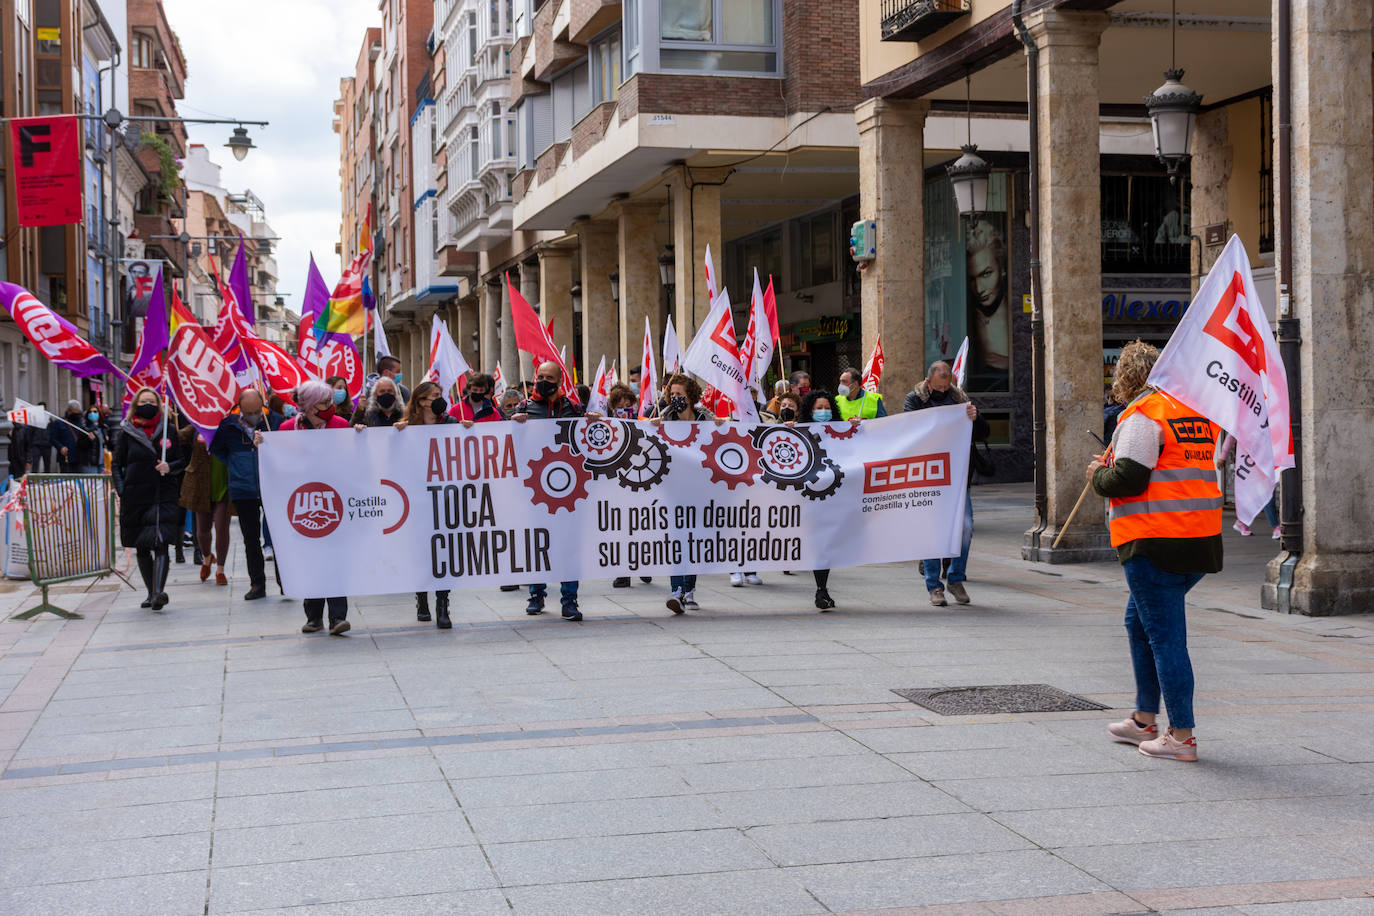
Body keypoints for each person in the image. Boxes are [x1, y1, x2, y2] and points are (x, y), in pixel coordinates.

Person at [1090, 340, 1222, 763]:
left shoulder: (1143, 415)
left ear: (1126, 377)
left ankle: (1181, 735)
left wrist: (1098, 475)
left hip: (1154, 541)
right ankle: (1144, 719)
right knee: (1138, 623)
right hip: (1197, 540)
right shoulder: (1193, 414)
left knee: (1167, 639)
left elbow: (1129, 479)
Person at [265, 378, 354, 635]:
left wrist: (358, 437)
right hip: (302, 504)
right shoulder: (287, 429)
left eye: (330, 402)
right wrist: (265, 446)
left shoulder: (340, 425)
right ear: (310, 405)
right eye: (324, 402)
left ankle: (338, 617)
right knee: (310, 560)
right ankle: (313, 616)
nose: (330, 406)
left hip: (335, 502)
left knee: (335, 560)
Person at [905, 361, 987, 607]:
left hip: (957, 476)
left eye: (946, 385)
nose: (943, 390)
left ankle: (955, 577)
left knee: (965, 527)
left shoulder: (961, 399)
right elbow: (910, 429)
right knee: (932, 530)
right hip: (928, 477)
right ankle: (934, 586)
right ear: (929, 382)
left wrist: (976, 418)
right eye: (939, 386)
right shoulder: (915, 399)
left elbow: (982, 433)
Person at [512, 361, 587, 621]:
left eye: (549, 377)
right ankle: (536, 594)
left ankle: (569, 600)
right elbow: (507, 444)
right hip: (534, 490)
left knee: (568, 545)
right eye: (539, 376)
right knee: (537, 543)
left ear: (559, 380)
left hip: (567, 489)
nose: (543, 381)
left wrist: (593, 423)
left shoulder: (573, 409)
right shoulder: (524, 408)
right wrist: (512, 425)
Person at [649, 374, 725, 612]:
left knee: (694, 539)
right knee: (676, 539)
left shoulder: (705, 418)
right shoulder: (665, 419)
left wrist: (724, 425)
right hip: (673, 490)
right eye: (672, 395)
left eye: (680, 395)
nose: (675, 399)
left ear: (691, 396)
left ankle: (689, 590)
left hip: (700, 489)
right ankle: (676, 592)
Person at [112, 387, 186, 610]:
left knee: (160, 541)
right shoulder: (126, 432)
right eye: (144, 401)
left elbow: (181, 461)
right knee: (142, 545)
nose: (148, 405)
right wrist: (122, 489)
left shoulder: (168, 430)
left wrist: (169, 466)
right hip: (135, 496)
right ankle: (150, 591)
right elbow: (117, 464)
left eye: (152, 401)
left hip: (162, 494)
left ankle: (159, 592)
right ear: (136, 404)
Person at [396, 380, 458, 628]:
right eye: (435, 395)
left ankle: (443, 604)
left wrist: (468, 430)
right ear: (421, 401)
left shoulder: (451, 423)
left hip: (445, 497)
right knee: (421, 552)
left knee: (444, 553)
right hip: (416, 499)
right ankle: (421, 597)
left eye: (441, 394)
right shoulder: (406, 428)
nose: (440, 398)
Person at [798, 389, 860, 610]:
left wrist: (858, 429)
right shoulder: (799, 431)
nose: (823, 412)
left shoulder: (840, 432)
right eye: (818, 408)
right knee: (818, 543)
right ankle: (821, 589)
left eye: (826, 408)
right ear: (810, 411)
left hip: (832, 495)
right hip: (808, 496)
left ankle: (821, 589)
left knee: (825, 544)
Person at [210, 390, 273, 601]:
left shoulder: (272, 421)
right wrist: (236, 466)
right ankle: (257, 583)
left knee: (279, 536)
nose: (254, 415)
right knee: (251, 539)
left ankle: (285, 581)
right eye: (249, 412)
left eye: (257, 411)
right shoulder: (228, 426)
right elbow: (217, 450)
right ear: (240, 409)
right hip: (243, 489)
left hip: (272, 486)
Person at [180, 421, 231, 587]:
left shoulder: (230, 425)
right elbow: (179, 437)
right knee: (202, 530)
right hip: (201, 485)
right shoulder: (197, 425)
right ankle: (207, 557)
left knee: (222, 527)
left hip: (224, 484)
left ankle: (220, 569)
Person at [965, 218, 1010, 391]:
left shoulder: (1015, 314)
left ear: (1002, 267)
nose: (979, 289)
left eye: (986, 274)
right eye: (972, 279)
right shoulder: (967, 316)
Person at [1215, 430, 1280, 538]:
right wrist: (1223, 456)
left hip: (1262, 461)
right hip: (1248, 464)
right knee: (1266, 492)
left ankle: (1242, 522)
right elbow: (1231, 436)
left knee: (1257, 494)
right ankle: (1275, 527)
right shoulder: (1243, 418)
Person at [26, 403, 52, 473]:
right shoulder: (34, 419)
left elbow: (52, 431)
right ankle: (34, 479)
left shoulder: (49, 419)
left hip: (46, 445)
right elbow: (30, 432)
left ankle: (47, 479)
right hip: (36, 444)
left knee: (47, 464)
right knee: (35, 464)